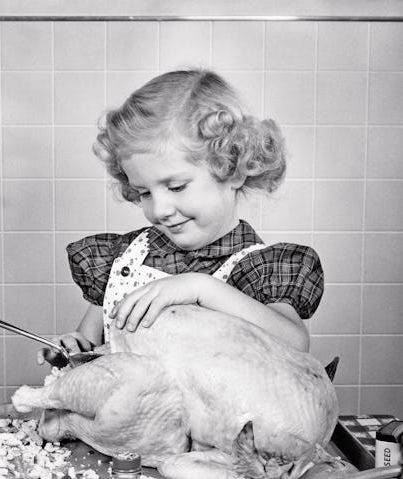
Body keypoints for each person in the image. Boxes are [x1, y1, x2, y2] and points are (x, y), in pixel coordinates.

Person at [45, 69, 322, 363]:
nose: (160, 210)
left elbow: (294, 343)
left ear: (233, 171)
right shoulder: (126, 259)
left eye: (176, 187)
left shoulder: (260, 268)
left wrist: (201, 287)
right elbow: (90, 346)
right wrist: (72, 349)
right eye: (144, 193)